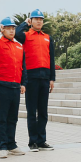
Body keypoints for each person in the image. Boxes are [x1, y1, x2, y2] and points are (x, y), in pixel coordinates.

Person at [15, 9, 56, 152]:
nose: (39, 21)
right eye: (36, 19)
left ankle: (41, 140)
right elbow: (16, 33)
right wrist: (24, 23)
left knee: (43, 112)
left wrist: (52, 78)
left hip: (45, 78)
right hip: (31, 78)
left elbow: (51, 59)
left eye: (41, 19)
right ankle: (32, 142)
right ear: (31, 21)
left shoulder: (47, 38)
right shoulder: (26, 36)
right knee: (32, 111)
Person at [0, 17, 27, 158]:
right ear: (3, 29)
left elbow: (23, 67)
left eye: (13, 28)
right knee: (1, 117)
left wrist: (23, 83)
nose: (11, 30)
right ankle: (1, 146)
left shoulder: (19, 46)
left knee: (12, 117)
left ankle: (11, 144)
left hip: (15, 85)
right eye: (8, 28)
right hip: (1, 84)